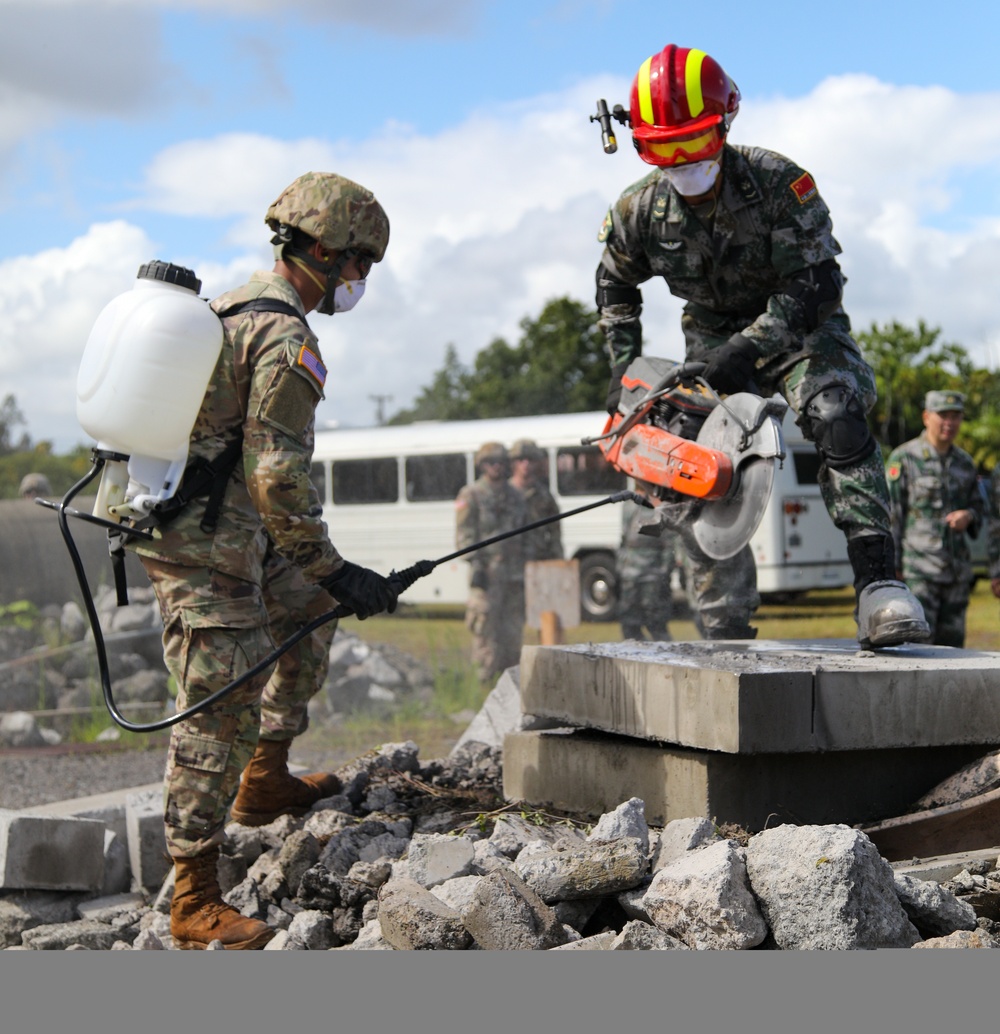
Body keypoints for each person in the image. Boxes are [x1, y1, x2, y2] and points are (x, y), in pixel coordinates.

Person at [126, 171, 399, 950]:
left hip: (226, 526)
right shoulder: (285, 337)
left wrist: (319, 580)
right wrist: (335, 564)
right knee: (223, 700)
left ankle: (265, 778)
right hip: (202, 542)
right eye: (357, 263)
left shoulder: (231, 308)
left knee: (308, 607)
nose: (359, 280)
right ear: (319, 250)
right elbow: (277, 474)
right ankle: (194, 898)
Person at [594, 42, 929, 649]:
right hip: (710, 339)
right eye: (664, 148)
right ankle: (724, 628)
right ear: (640, 143)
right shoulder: (638, 211)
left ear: (724, 123)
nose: (682, 162)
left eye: (692, 143)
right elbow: (614, 283)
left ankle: (880, 590)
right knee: (691, 461)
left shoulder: (778, 183)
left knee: (837, 417)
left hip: (800, 327)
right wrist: (627, 378)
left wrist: (751, 346)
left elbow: (817, 283)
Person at [886, 391, 985, 647]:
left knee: (953, 652)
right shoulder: (904, 458)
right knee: (918, 650)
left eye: (955, 416)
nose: (949, 423)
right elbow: (892, 518)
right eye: (943, 416)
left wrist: (969, 516)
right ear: (926, 417)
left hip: (956, 575)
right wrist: (892, 568)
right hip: (920, 575)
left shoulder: (964, 463)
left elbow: (979, 508)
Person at [455, 441, 528, 685]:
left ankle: (511, 687)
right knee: (485, 635)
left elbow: (525, 533)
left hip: (514, 576)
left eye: (500, 462)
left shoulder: (516, 496)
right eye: (490, 462)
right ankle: (484, 686)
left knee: (512, 634)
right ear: (482, 465)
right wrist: (475, 564)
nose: (496, 466)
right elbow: (464, 534)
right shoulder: (471, 495)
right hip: (486, 576)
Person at [616, 487, 676, 641]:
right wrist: (620, 567)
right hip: (630, 574)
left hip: (652, 575)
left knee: (656, 623)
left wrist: (664, 571)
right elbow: (624, 540)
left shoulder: (659, 510)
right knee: (629, 623)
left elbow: (669, 545)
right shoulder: (629, 508)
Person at [508, 438, 563, 562]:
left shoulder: (544, 495)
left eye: (530, 460)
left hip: (538, 558)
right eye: (521, 460)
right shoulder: (503, 495)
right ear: (513, 463)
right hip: (509, 563)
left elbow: (555, 531)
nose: (525, 464)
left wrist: (557, 558)